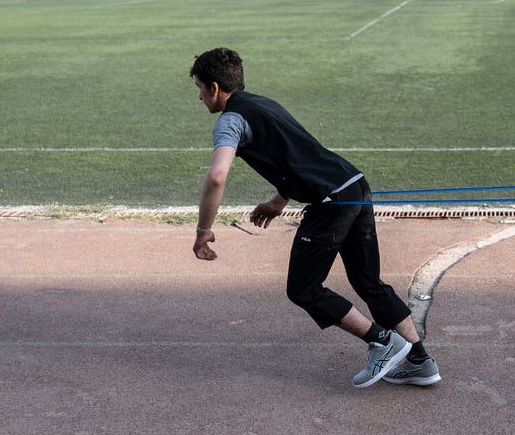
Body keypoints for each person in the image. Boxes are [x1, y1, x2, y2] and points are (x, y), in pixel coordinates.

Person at [189, 48, 441, 388]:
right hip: (354, 186)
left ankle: (381, 341)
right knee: (369, 283)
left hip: (331, 202)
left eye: (200, 88)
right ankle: (419, 361)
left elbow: (217, 176)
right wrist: (279, 200)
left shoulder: (230, 121)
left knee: (303, 288)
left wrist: (203, 230)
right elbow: (299, 155)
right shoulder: (265, 104)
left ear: (215, 88)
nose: (200, 96)